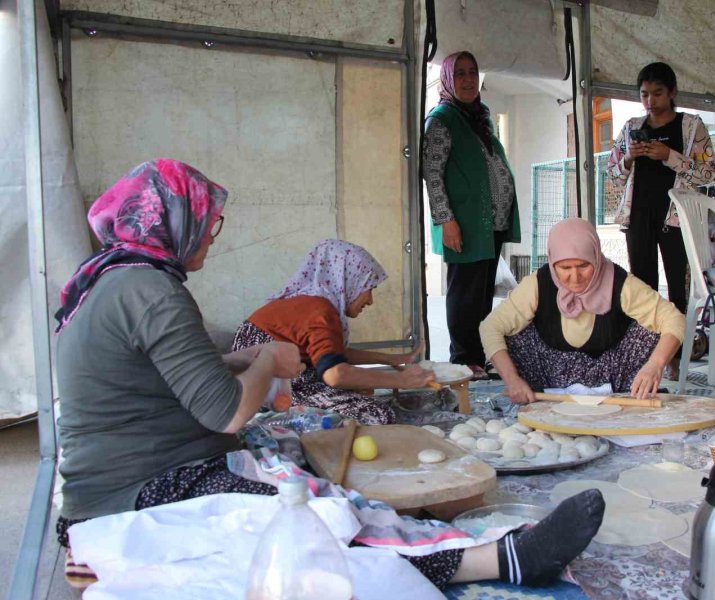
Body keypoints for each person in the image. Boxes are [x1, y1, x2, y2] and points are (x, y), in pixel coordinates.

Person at [54, 159, 605, 591]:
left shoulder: (118, 279)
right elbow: (227, 410)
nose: (212, 234)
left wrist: (242, 360)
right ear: (173, 221)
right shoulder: (149, 292)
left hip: (138, 469)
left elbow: (167, 374)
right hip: (141, 490)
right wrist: (267, 361)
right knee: (320, 520)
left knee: (307, 467)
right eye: (207, 221)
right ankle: (498, 559)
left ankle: (435, 538)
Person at [479, 218, 686, 404]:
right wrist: (512, 380)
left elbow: (674, 319)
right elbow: (490, 327)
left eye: (583, 265)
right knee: (513, 331)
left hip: (612, 376)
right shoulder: (537, 284)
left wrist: (655, 365)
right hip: (550, 376)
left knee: (653, 328)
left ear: (596, 256)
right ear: (552, 263)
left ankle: (630, 390)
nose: (574, 277)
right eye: (565, 268)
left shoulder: (619, 282)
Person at [232, 239, 435, 425]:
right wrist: (402, 380)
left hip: (260, 379)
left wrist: (392, 360)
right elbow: (335, 374)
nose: (370, 300)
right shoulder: (320, 310)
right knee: (377, 413)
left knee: (361, 389)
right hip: (268, 388)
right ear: (349, 280)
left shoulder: (311, 301)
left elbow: (330, 355)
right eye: (368, 288)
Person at [606, 62, 715, 379]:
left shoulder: (691, 126)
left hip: (677, 218)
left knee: (678, 292)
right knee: (643, 288)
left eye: (657, 93)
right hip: (638, 215)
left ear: (672, 92)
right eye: (644, 94)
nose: (650, 102)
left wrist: (668, 156)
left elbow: (708, 172)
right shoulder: (631, 127)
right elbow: (612, 174)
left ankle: (674, 359)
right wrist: (630, 156)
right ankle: (646, 357)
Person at [423, 50, 521, 377]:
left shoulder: (480, 116)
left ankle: (479, 355)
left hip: (490, 223)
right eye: (460, 73)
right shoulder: (442, 119)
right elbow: (432, 173)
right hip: (462, 223)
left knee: (481, 295)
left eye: (472, 72)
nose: (468, 79)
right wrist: (445, 220)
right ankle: (463, 359)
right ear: (449, 79)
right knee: (464, 293)